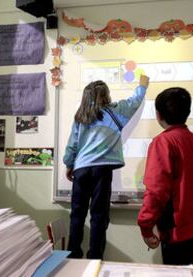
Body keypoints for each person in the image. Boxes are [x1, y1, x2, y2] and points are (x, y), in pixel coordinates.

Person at [64, 75, 150, 259]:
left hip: (81, 169)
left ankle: (73, 254)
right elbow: (134, 102)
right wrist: (142, 86)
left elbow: (72, 144)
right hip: (102, 170)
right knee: (99, 215)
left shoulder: (81, 116)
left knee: (77, 214)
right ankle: (95, 256)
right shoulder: (115, 111)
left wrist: (69, 164)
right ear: (107, 95)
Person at [137, 87, 193, 276]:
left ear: (158, 115)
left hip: (180, 231)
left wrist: (146, 227)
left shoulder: (163, 142)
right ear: (188, 112)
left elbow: (157, 190)